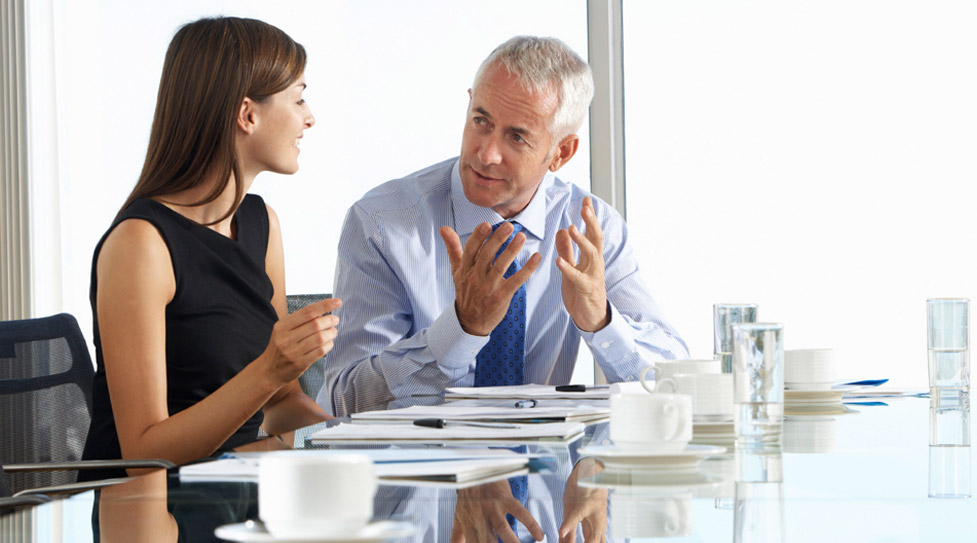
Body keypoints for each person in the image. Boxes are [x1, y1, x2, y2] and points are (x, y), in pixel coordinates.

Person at [321, 35, 688, 416]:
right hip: (425, 471)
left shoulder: (591, 228)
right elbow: (343, 403)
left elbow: (676, 387)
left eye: (516, 137)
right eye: (481, 121)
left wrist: (601, 322)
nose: (486, 153)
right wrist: (461, 329)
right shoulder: (382, 224)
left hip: (551, 471)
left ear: (561, 152)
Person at [80, 16, 340, 477]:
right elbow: (143, 457)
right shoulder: (141, 244)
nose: (310, 116)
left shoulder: (262, 226)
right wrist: (269, 368)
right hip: (150, 510)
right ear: (247, 115)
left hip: (234, 492)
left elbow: (282, 404)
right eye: (298, 98)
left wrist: (353, 443)